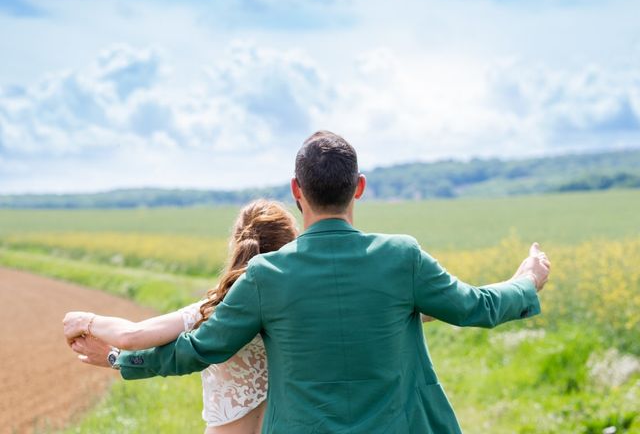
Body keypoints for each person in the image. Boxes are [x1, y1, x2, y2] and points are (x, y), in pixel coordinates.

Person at [71, 131, 550, 433]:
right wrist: (527, 279)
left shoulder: (264, 276)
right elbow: (479, 307)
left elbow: (198, 349)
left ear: (297, 191)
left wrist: (119, 359)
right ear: (358, 187)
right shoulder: (401, 256)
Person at [63, 199, 298, 434]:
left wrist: (86, 322)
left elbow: (131, 336)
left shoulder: (213, 309)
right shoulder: (303, 312)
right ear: (290, 246)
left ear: (235, 245)